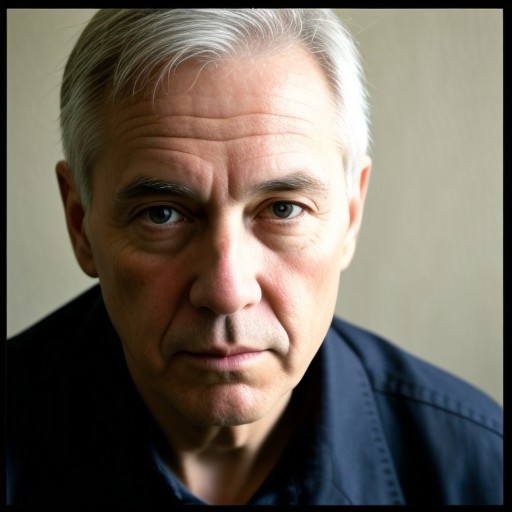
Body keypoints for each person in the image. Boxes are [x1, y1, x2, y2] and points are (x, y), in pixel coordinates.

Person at [6, 9, 503, 506]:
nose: (227, 291)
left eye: (283, 209)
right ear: (81, 224)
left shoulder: (481, 470)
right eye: (162, 214)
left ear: (350, 215)